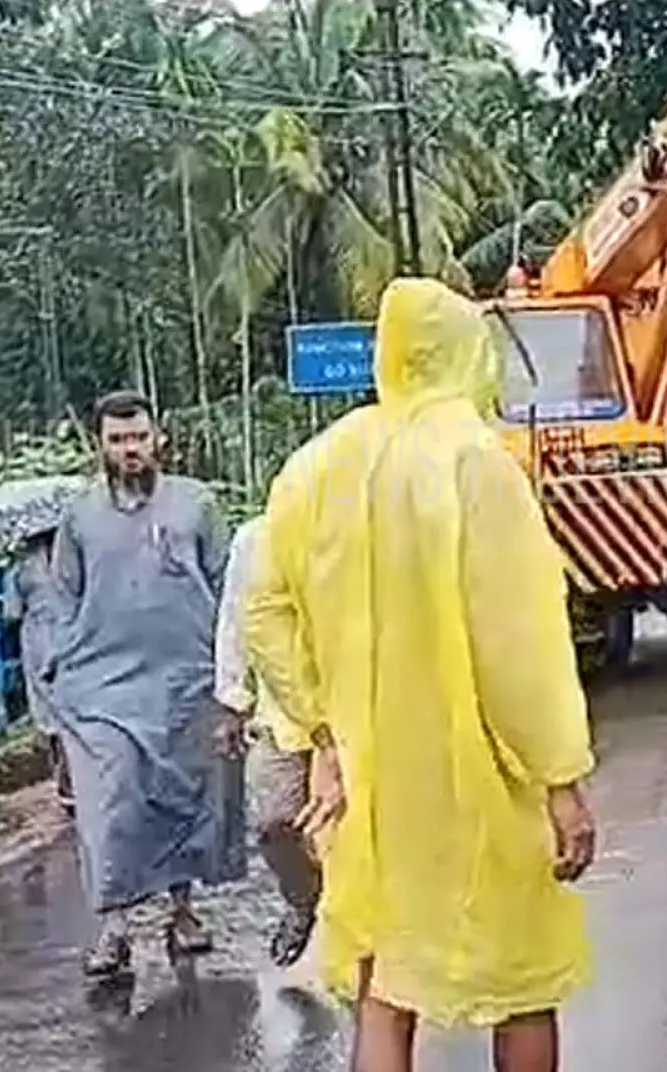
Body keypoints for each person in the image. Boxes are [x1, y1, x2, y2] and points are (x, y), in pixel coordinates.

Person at [248, 278, 598, 1072]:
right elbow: (517, 640)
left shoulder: (315, 468)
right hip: (478, 780)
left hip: (374, 783)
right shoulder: (477, 461)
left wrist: (323, 731)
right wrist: (560, 777)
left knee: (385, 973)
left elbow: (264, 611)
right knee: (521, 978)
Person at [49, 389, 245, 979]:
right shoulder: (79, 515)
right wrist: (57, 675)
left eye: (138, 437)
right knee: (113, 806)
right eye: (117, 440)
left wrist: (233, 678)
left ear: (157, 437)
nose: (129, 449)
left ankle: (182, 913)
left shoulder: (197, 504)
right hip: (103, 690)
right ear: (101, 446)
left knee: (183, 797)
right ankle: (113, 927)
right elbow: (64, 597)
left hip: (186, 681)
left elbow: (227, 585)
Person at [212, 514, 321, 968]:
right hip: (283, 712)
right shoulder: (258, 537)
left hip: (359, 709)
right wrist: (232, 698)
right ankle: (303, 899)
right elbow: (236, 616)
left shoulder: (363, 524)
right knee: (276, 823)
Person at [1, 531, 71, 813]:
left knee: (48, 712)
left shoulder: (20, 568)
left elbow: (11, 612)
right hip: (70, 636)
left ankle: (64, 782)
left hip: (38, 642)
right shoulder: (70, 560)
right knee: (74, 706)